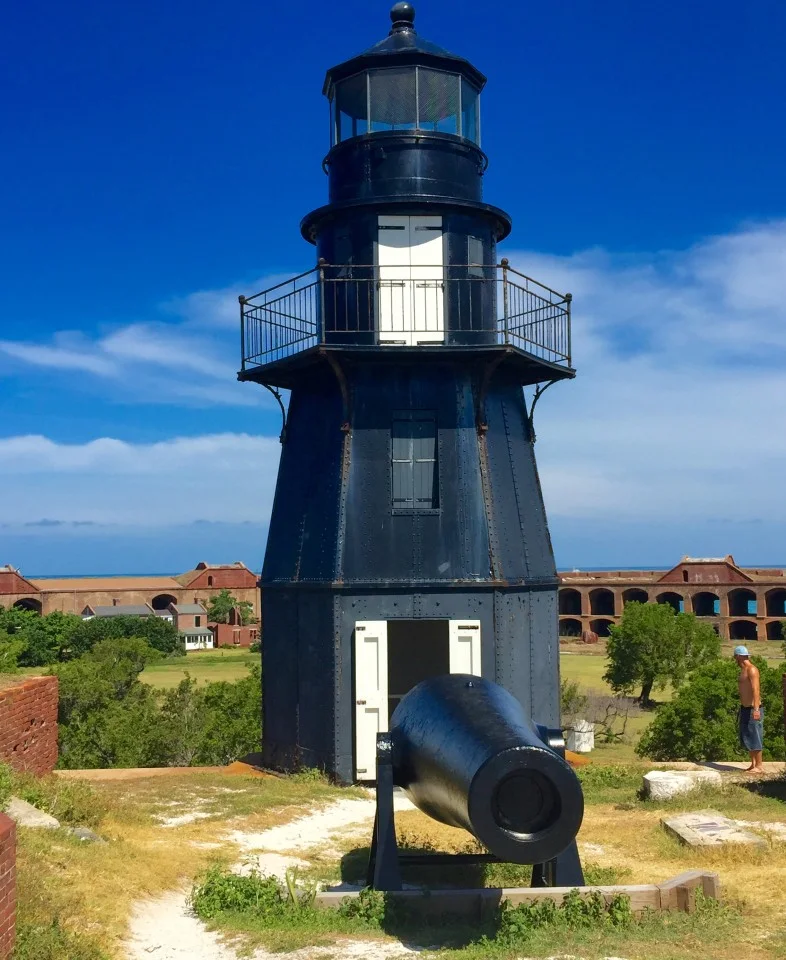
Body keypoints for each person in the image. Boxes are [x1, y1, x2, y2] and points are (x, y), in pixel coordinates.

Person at [733, 645, 764, 774]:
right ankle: (753, 764)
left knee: (755, 735)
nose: (735, 659)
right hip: (745, 708)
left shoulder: (752, 670)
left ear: (739, 656)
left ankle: (759, 766)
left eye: (735, 656)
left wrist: (756, 709)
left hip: (753, 708)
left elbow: (755, 690)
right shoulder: (743, 670)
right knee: (747, 736)